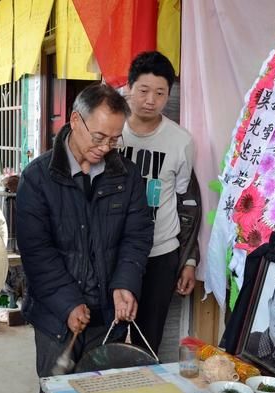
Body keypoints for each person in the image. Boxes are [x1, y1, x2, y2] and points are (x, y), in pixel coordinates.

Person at [16, 83, 154, 378]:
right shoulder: (38, 178)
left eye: (114, 140)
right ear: (75, 120)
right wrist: (67, 304)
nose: (105, 148)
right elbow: (37, 253)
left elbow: (137, 236)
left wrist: (125, 284)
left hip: (108, 317)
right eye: (99, 137)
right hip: (56, 317)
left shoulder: (127, 176)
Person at [121, 51, 200, 353]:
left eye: (160, 93)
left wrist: (189, 260)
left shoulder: (181, 142)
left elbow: (186, 203)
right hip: (114, 251)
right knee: (108, 336)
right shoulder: (113, 133)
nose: (150, 100)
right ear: (128, 87)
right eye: (143, 90)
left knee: (149, 338)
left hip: (161, 252)